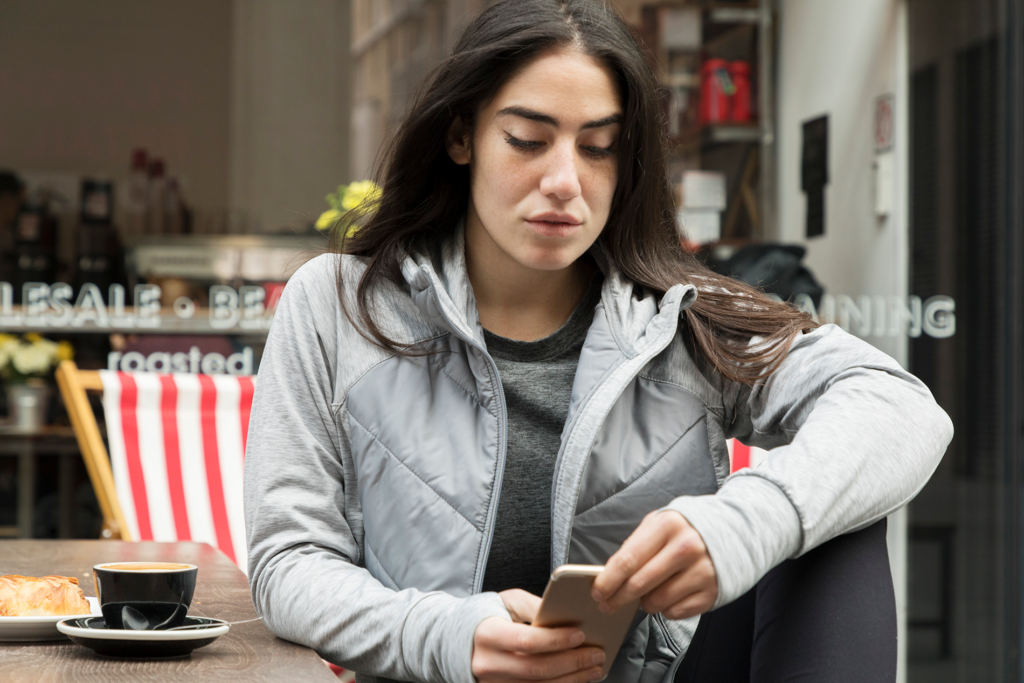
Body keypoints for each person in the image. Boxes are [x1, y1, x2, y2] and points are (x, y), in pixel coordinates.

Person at [243, 2, 953, 682]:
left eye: (598, 148)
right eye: (527, 139)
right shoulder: (339, 305)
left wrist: (746, 523)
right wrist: (452, 637)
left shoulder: (683, 318)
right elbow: (289, 564)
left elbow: (900, 407)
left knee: (832, 515)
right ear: (461, 136)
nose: (565, 181)